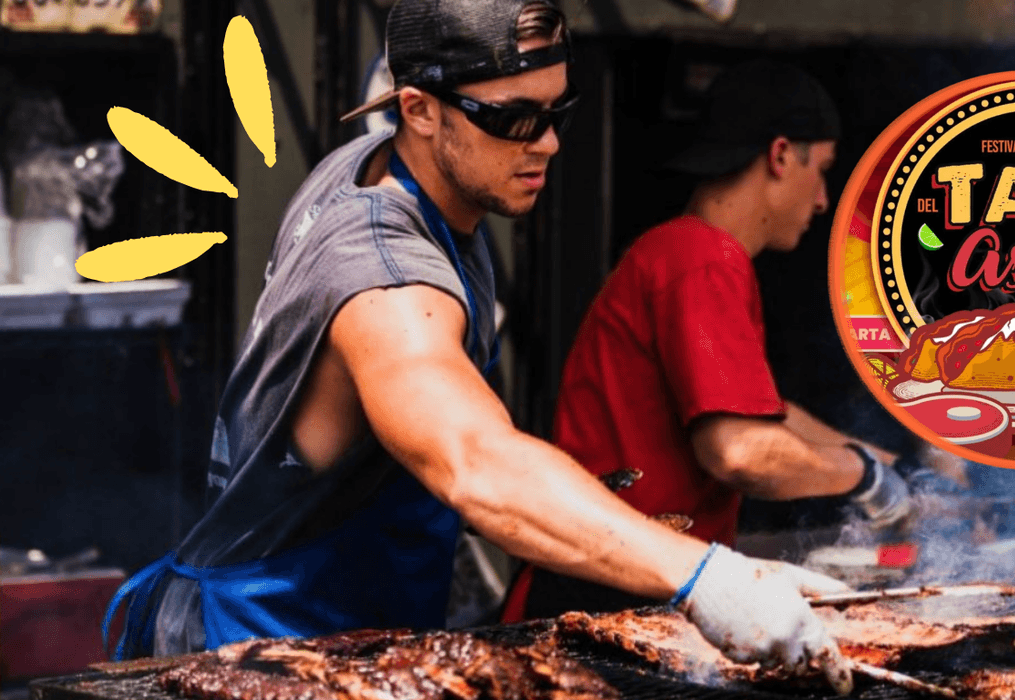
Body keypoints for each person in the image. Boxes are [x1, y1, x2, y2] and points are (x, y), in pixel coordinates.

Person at [102, 1, 860, 692]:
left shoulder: (390, 169)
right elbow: (474, 460)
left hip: (357, 636)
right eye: (515, 119)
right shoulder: (389, 281)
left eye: (555, 111)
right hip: (268, 654)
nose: (550, 143)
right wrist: (706, 578)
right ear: (419, 111)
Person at [502, 60, 939, 622]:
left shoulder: (684, 253)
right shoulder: (703, 258)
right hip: (604, 598)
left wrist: (901, 467)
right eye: (822, 170)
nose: (824, 199)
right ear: (781, 155)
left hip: (618, 588)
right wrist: (869, 480)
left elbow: (768, 416)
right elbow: (741, 451)